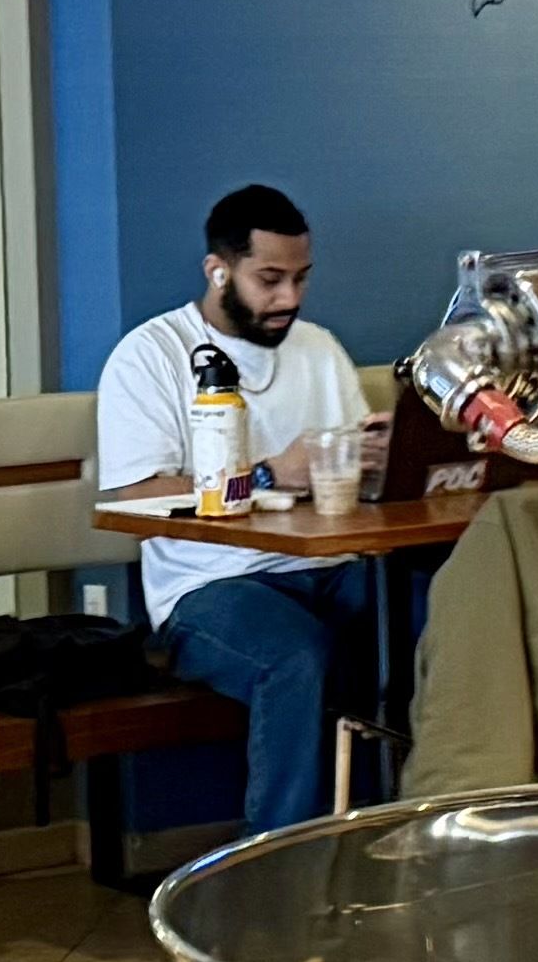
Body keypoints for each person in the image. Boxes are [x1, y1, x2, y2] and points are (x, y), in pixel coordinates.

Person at [94, 182, 378, 841]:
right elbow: (137, 495)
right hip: (210, 586)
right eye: (269, 280)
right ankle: (282, 863)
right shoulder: (152, 355)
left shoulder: (319, 349)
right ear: (218, 270)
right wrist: (272, 473)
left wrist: (379, 457)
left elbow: (351, 469)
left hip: (331, 567)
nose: (289, 299)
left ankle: (431, 823)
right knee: (296, 657)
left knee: (439, 617)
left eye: (301, 278)